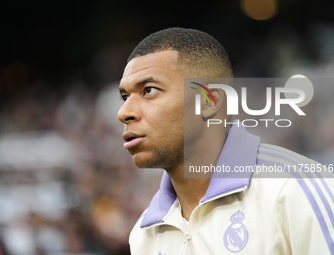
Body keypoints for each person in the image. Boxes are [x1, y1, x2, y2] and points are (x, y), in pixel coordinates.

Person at [117, 28, 334, 254]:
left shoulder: (296, 189)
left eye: (149, 90)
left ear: (209, 102)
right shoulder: (144, 235)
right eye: (125, 96)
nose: (123, 112)